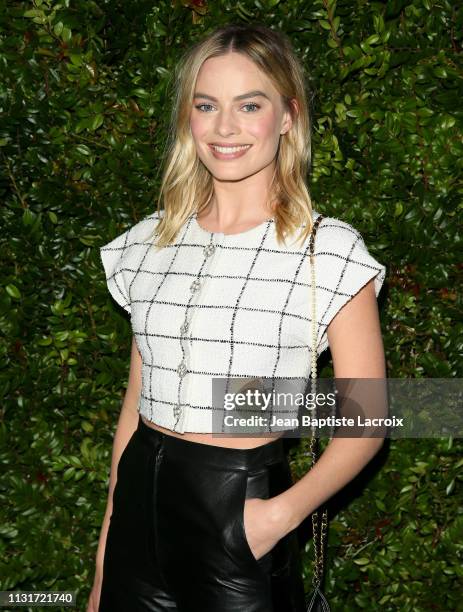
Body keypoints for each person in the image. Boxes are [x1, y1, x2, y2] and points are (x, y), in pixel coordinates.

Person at [87, 23, 386, 612]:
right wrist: (103, 561)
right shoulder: (151, 241)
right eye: (206, 105)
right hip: (138, 517)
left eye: (250, 105)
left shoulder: (326, 250)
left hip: (239, 519)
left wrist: (277, 517)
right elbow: (134, 405)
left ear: (288, 117)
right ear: (188, 118)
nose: (225, 128)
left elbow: (367, 418)